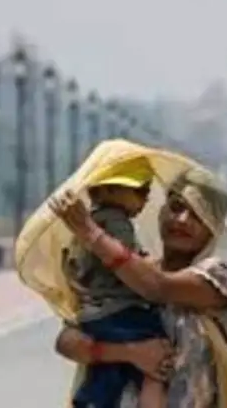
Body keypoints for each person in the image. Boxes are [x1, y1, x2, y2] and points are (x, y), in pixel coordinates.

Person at [49, 167, 227, 408]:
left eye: (197, 215)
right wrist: (130, 352)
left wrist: (91, 232)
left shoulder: (219, 278)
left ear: (212, 228)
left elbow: (157, 288)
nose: (182, 220)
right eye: (176, 207)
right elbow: (68, 341)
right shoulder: (130, 274)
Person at [62, 156, 168, 408]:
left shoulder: (90, 222)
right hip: (118, 309)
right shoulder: (115, 222)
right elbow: (127, 261)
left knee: (113, 368)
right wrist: (148, 265)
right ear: (110, 190)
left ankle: (92, 399)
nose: (145, 199)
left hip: (95, 312)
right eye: (140, 192)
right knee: (157, 346)